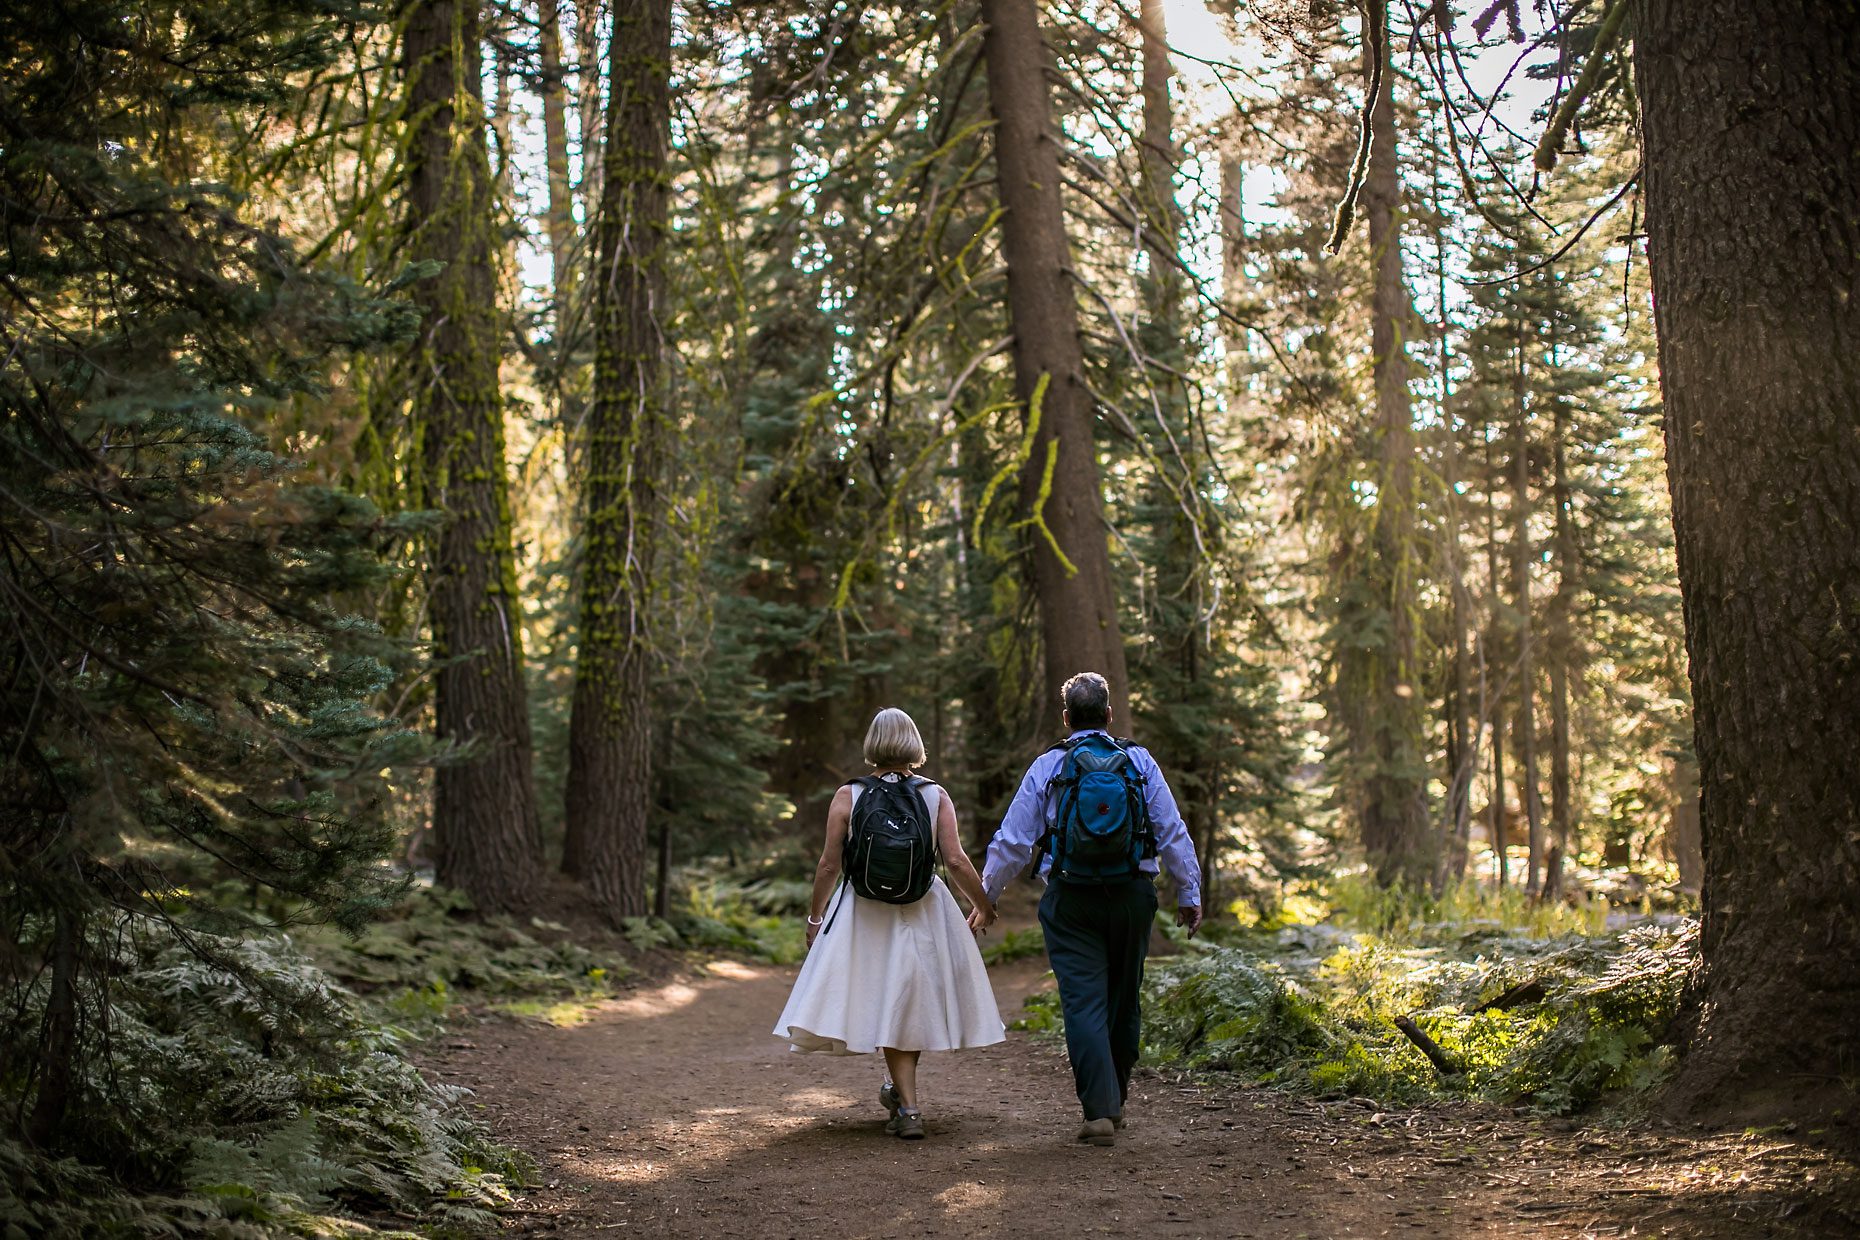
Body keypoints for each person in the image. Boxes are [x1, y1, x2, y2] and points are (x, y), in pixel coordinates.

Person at [981, 671, 1202, 1147]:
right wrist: (1190, 893)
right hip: (1132, 895)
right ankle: (1115, 1099)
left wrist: (986, 895)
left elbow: (1014, 840)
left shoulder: (1049, 766)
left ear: (1066, 718)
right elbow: (1171, 830)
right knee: (1124, 999)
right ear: (1108, 714)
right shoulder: (1138, 761)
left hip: (1070, 898)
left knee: (1083, 1001)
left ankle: (1099, 1109)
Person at [772, 707, 1004, 1140]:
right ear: (914, 744)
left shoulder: (849, 795)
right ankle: (908, 1105)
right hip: (922, 908)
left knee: (874, 995)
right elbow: (954, 859)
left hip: (863, 911)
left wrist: (815, 916)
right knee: (907, 1003)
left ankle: (905, 1103)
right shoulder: (935, 795)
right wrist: (983, 904)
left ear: (872, 746)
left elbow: (829, 864)